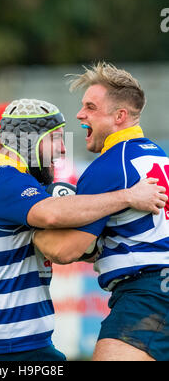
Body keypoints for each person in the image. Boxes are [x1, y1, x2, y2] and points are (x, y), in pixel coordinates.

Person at [0, 98, 166, 362]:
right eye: (55, 139)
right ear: (28, 141)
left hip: (21, 342)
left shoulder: (21, 184)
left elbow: (67, 241)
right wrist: (129, 197)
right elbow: (53, 214)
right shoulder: (9, 181)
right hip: (8, 345)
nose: (62, 150)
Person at [33, 63, 169, 361]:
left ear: (119, 116)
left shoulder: (108, 167)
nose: (80, 115)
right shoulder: (158, 154)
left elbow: (67, 250)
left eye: (90, 107)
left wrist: (29, 227)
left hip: (148, 294)